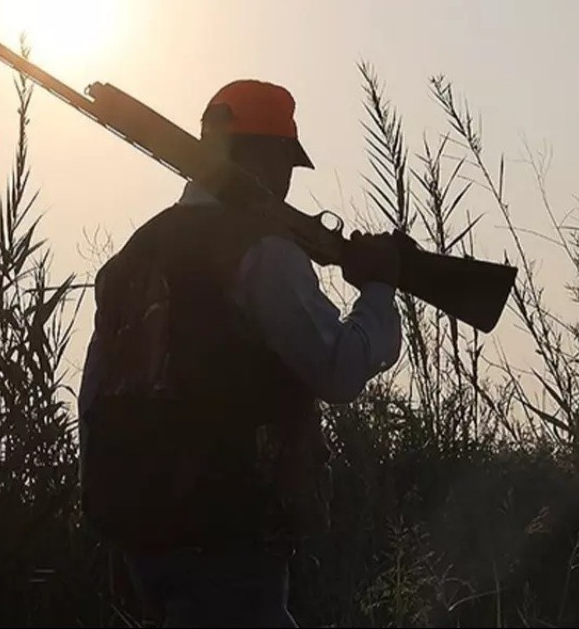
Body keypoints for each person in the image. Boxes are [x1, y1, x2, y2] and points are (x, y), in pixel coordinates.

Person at [77, 79, 405, 627]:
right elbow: (340, 370)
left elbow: (95, 398)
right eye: (282, 162)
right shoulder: (261, 252)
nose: (285, 182)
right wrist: (378, 289)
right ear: (255, 155)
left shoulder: (132, 257)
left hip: (142, 540)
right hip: (230, 536)